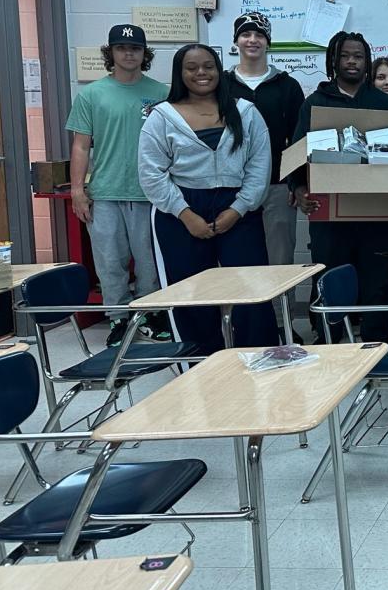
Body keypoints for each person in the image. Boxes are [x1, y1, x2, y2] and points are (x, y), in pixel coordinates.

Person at [138, 44, 275, 349]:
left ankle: (260, 358)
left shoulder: (245, 112)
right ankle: (200, 363)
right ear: (180, 73)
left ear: (219, 70)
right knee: (191, 294)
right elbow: (151, 173)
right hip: (181, 210)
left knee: (252, 291)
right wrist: (186, 215)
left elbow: (259, 165)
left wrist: (238, 209)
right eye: (192, 68)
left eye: (208, 66)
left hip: (238, 209)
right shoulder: (162, 117)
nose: (201, 73)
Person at [290, 32, 388, 343]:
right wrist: (299, 188)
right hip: (330, 215)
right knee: (328, 279)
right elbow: (297, 152)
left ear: (367, 61)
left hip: (377, 214)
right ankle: (328, 341)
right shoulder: (315, 103)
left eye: (358, 56)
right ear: (333, 60)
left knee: (377, 281)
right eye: (345, 56)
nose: (352, 61)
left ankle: (375, 344)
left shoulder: (385, 104)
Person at [65, 24, 171, 346]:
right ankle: (119, 319)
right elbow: (81, 146)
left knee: (150, 262)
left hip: (149, 193)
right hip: (106, 192)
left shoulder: (161, 93)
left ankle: (150, 314)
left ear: (144, 53)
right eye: (122, 48)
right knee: (110, 262)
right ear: (110, 52)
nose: (128, 54)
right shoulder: (91, 95)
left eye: (135, 48)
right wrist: (77, 190)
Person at [226, 12, 305, 341]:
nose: (252, 40)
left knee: (280, 261)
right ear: (236, 41)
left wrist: (296, 183)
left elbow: (299, 139)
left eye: (259, 34)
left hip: (276, 186)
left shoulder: (287, 86)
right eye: (246, 34)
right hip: (233, 188)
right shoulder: (222, 85)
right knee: (239, 261)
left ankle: (281, 326)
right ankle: (244, 327)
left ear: (268, 42)